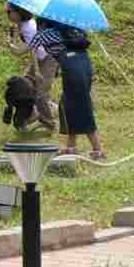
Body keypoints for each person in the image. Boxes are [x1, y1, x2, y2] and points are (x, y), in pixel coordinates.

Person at [36, 17, 104, 160]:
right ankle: (71, 147)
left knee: (81, 106)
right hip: (84, 64)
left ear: (42, 23)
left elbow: (26, 48)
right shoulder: (72, 29)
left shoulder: (45, 33)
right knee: (68, 105)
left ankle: (98, 149)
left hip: (73, 69)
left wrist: (12, 42)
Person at [5, 4, 60, 129]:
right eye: (6, 11)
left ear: (19, 12)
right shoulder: (21, 25)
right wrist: (11, 44)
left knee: (40, 93)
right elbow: (23, 50)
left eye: (9, 12)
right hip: (39, 58)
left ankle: (50, 124)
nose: (8, 14)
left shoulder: (28, 27)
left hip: (48, 58)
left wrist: (36, 71)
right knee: (25, 88)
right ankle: (35, 114)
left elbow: (32, 50)